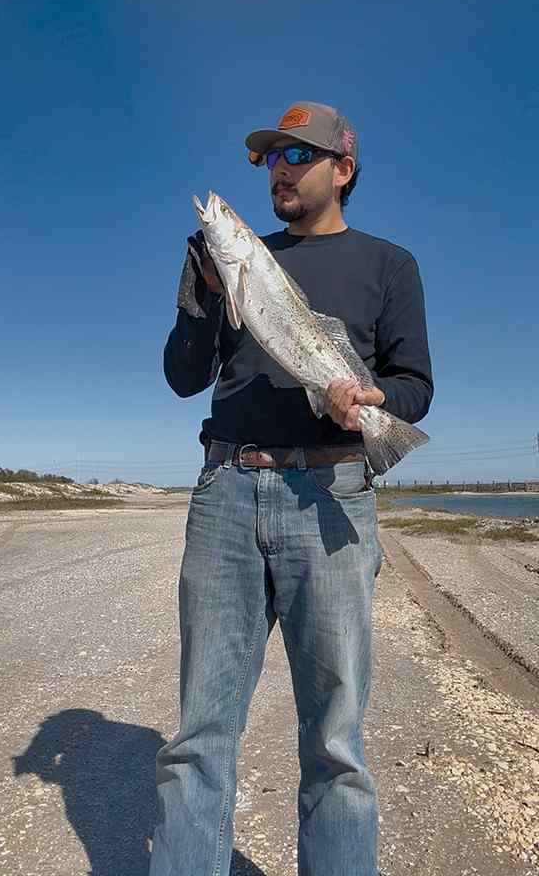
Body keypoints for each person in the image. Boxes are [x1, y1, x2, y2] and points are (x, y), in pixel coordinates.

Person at [150, 101, 433, 876]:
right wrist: (205, 291)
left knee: (334, 742)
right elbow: (182, 378)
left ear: (341, 167)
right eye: (270, 158)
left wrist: (375, 405)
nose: (278, 168)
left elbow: (413, 387)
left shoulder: (388, 264)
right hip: (226, 493)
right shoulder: (234, 258)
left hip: (332, 492)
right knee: (199, 732)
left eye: (295, 155)